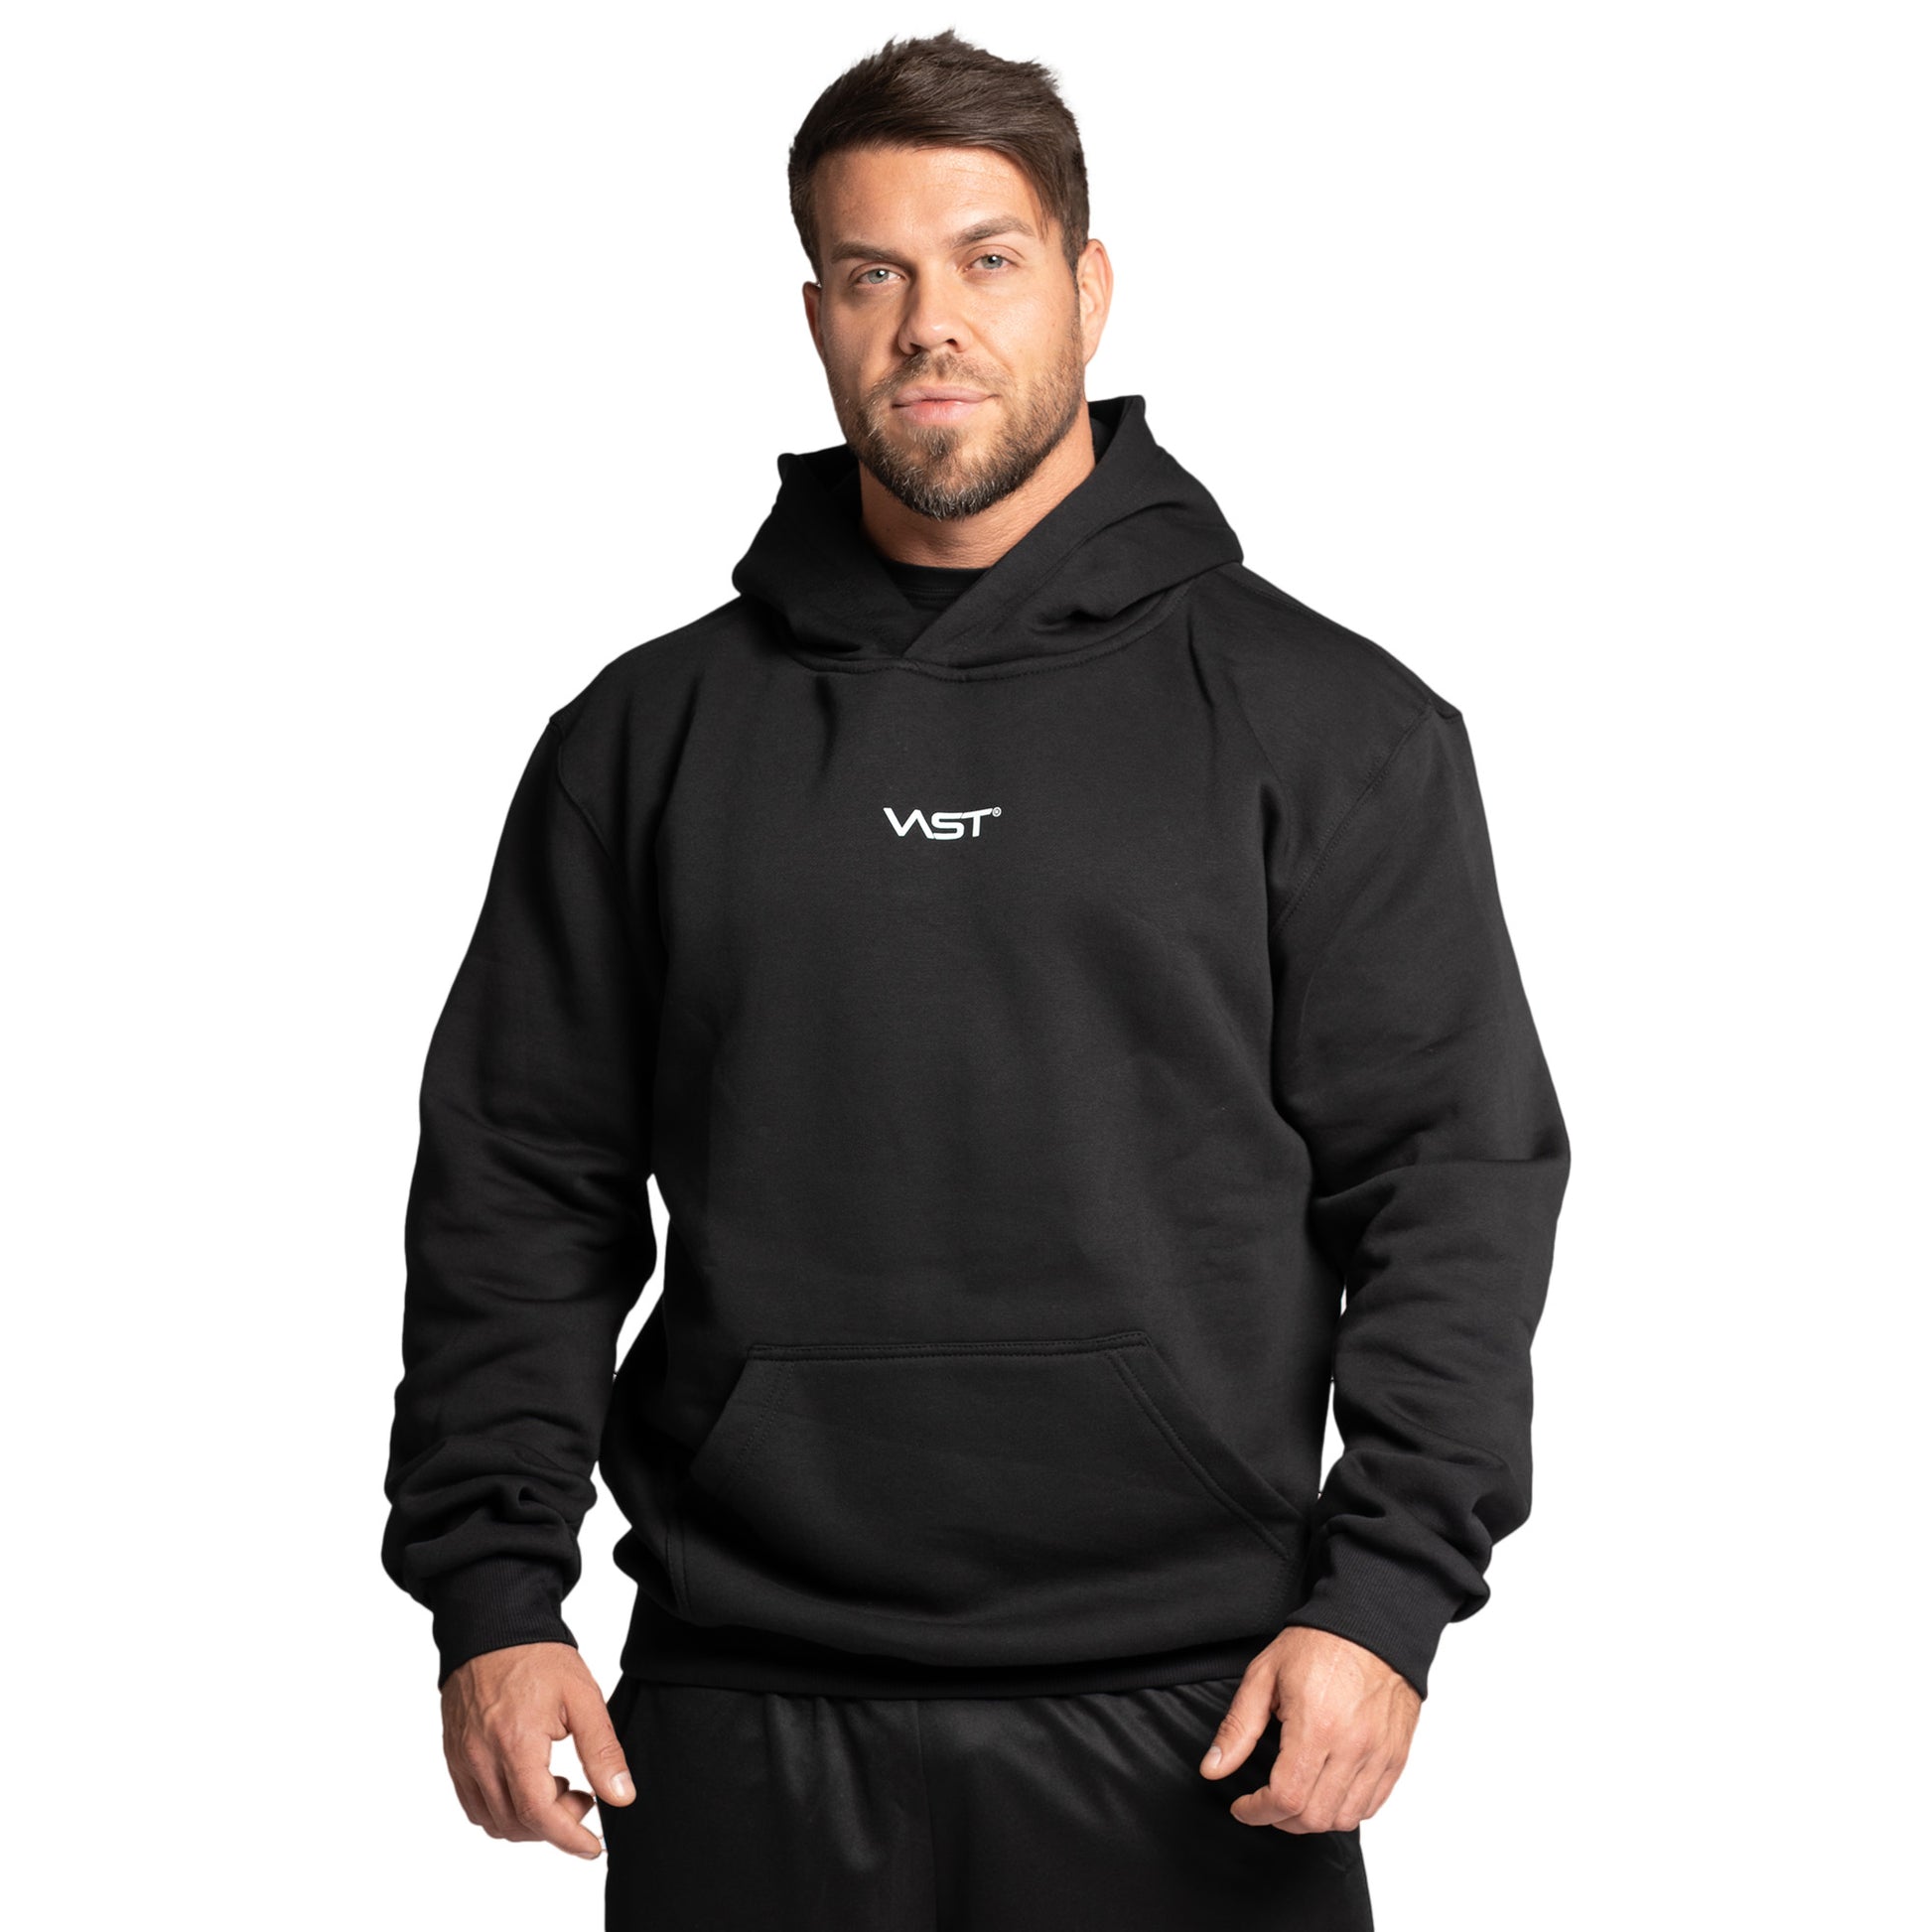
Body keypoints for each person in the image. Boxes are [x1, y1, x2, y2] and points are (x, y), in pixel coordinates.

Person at [382, 28, 1571, 1931]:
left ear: (1088, 289)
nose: (928, 321)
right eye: (872, 272)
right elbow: (519, 1181)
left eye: (987, 259)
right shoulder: (647, 738)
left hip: (1204, 1713)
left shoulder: (1327, 725)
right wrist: (492, 1594)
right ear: (816, 315)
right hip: (741, 1702)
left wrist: (1385, 1602)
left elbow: (1451, 1181)